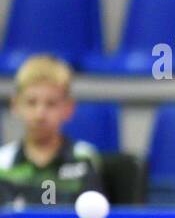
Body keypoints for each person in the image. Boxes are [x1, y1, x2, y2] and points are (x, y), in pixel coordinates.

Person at [0, 54, 103, 206]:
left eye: (51, 104)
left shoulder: (84, 158)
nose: (40, 114)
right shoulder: (3, 163)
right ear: (15, 105)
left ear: (68, 108)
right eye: (31, 102)